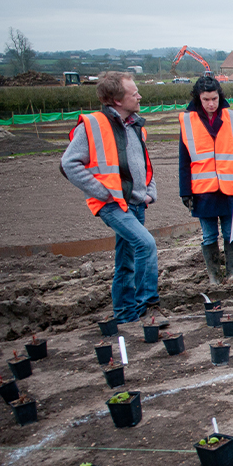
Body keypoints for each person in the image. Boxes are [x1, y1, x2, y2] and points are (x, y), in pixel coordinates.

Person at [61, 72, 159, 323]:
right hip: (112, 205)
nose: (139, 96)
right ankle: (148, 306)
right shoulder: (93, 125)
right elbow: (69, 163)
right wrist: (103, 192)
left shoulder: (135, 125)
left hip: (135, 203)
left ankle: (126, 315)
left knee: (126, 260)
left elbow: (143, 164)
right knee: (145, 244)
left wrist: (150, 192)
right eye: (133, 93)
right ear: (116, 100)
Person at [179, 75, 233, 284]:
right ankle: (214, 276)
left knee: (231, 233)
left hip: (230, 190)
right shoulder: (187, 121)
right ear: (198, 99)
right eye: (206, 100)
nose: (211, 104)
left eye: (214, 99)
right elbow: (184, 161)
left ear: (219, 96)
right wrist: (185, 192)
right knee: (209, 236)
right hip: (203, 192)